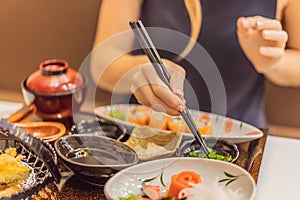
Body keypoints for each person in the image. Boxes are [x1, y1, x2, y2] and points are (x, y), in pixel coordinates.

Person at [90, 0, 300, 129]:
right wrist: (136, 71)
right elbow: (102, 61)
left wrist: (272, 61)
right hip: (147, 132)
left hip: (239, 136)